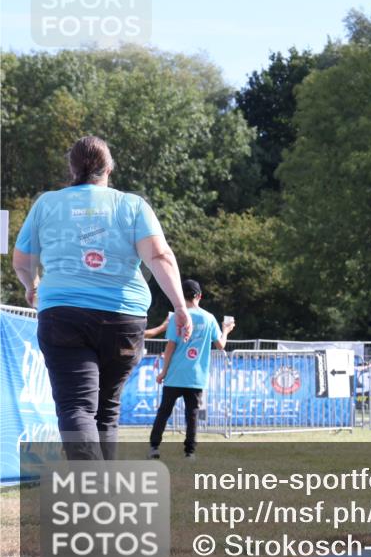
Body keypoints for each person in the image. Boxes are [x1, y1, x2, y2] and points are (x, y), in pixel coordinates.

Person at [12, 135, 191, 460]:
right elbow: (160, 257)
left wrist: (31, 284)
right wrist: (179, 305)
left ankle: (92, 496)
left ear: (72, 168)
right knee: (106, 409)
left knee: (76, 407)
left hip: (63, 314)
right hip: (123, 318)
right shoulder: (132, 205)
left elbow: (21, 261)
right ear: (109, 168)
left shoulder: (47, 203)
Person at [148, 280, 234, 459]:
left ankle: (154, 448)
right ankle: (190, 452)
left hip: (175, 374)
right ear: (199, 296)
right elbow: (220, 345)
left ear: (182, 295)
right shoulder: (209, 318)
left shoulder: (176, 317)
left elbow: (170, 347)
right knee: (192, 415)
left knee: (164, 412)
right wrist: (226, 330)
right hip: (196, 376)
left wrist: (163, 371)